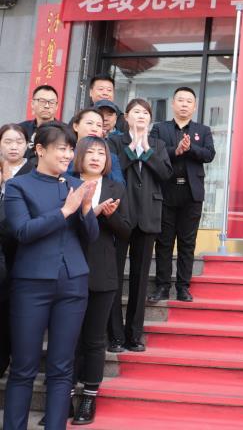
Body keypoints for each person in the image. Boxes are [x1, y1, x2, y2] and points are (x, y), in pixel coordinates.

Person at [2, 123, 99, 430]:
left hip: (73, 282)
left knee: (62, 368)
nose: (68, 154)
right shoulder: (19, 187)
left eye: (71, 149)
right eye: (62, 148)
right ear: (40, 150)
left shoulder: (74, 184)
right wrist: (64, 212)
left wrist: (84, 209)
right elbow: (22, 232)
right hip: (31, 284)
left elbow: (91, 237)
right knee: (24, 368)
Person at [68, 136, 131, 425]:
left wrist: (109, 216)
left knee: (94, 339)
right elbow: (60, 224)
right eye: (90, 152)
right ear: (79, 155)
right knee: (67, 338)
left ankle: (89, 398)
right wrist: (88, 213)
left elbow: (127, 229)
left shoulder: (117, 187)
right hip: (67, 270)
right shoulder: (65, 183)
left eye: (101, 153)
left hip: (102, 272)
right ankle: (64, 395)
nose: (95, 157)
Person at [107, 98, 172, 353]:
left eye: (146, 112)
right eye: (136, 112)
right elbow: (114, 168)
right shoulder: (115, 142)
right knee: (114, 275)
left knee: (140, 279)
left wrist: (145, 150)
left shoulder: (157, 144)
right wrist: (133, 149)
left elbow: (165, 173)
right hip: (121, 214)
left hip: (148, 215)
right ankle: (115, 335)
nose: (141, 116)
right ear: (126, 117)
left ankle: (134, 335)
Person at [148, 87, 216, 303]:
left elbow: (209, 154)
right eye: (180, 100)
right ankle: (162, 287)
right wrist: (174, 151)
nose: (184, 104)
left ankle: (183, 288)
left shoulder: (202, 130)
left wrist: (190, 149)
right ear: (173, 104)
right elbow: (152, 151)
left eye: (189, 101)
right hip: (166, 192)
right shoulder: (160, 128)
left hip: (191, 193)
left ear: (194, 106)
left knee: (187, 243)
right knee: (164, 243)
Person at [0, 124, 34, 379]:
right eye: (8, 141)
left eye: (18, 141)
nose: (13, 146)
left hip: (22, 253)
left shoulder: (33, 172)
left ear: (27, 145)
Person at [71, 108, 125, 185]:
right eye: (89, 123)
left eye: (99, 125)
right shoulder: (67, 153)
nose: (94, 129)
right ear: (76, 126)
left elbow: (120, 185)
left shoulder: (110, 157)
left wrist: (102, 167)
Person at [19, 84, 60, 159]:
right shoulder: (20, 129)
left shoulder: (65, 131)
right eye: (42, 101)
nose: (47, 106)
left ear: (56, 106)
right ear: (32, 104)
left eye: (51, 102)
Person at [0, 124, 34, 190]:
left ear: (27, 145)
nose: (14, 147)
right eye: (8, 142)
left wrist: (9, 183)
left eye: (19, 142)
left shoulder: (35, 171)